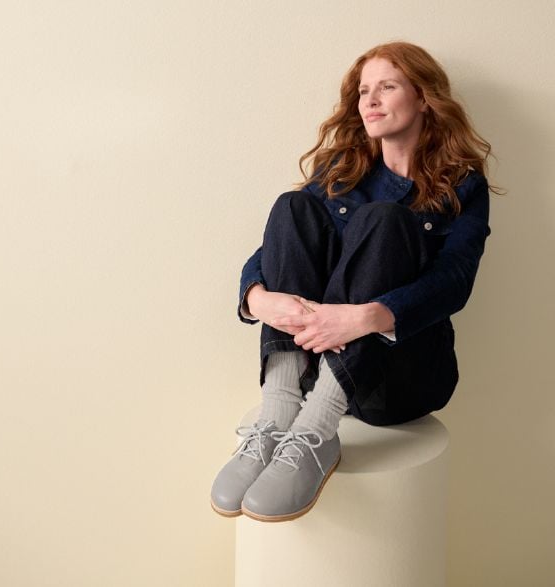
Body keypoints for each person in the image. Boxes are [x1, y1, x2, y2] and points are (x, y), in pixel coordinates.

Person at [211, 41, 497, 522]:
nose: (371, 101)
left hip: (399, 380)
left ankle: (317, 431)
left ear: (423, 97)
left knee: (385, 220)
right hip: (313, 365)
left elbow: (456, 279)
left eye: (387, 87)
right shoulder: (342, 171)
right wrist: (256, 299)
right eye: (364, 91)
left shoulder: (464, 185)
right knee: (291, 206)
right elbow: (276, 248)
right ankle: (278, 413)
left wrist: (366, 317)